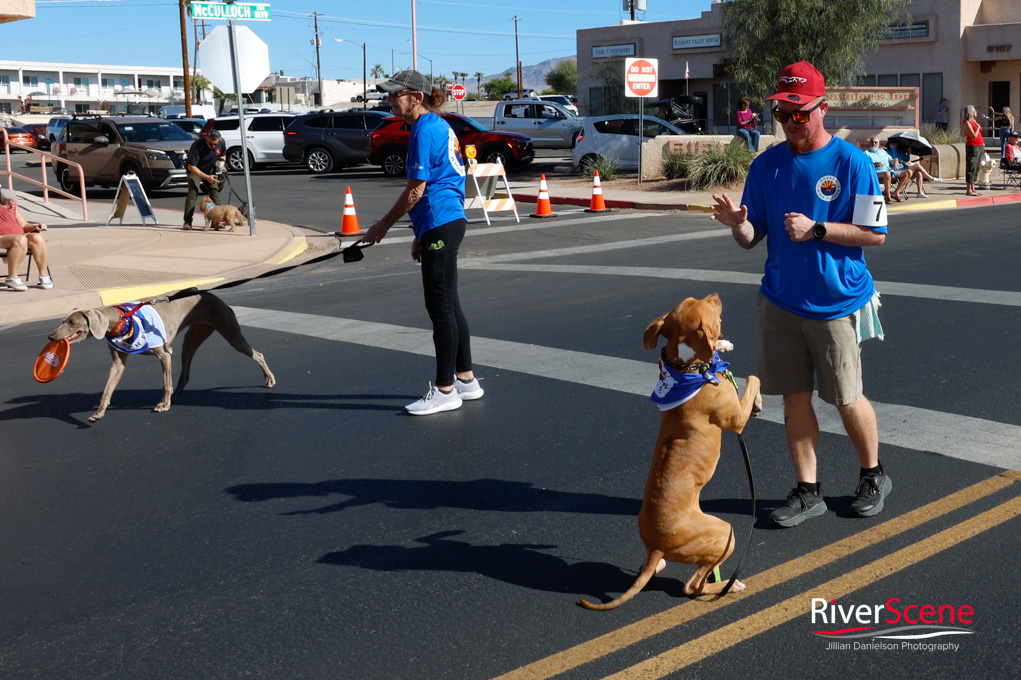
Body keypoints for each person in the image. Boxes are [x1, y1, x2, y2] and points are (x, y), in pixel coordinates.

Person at [709, 60, 890, 528]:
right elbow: (753, 235)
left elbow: (876, 234)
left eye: (800, 112)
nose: (791, 121)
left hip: (836, 302)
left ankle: (873, 475)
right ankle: (808, 491)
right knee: (793, 398)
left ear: (822, 109)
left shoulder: (853, 163)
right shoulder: (766, 165)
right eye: (783, 113)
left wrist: (819, 229)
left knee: (847, 398)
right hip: (780, 302)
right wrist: (738, 224)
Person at [361, 69, 483, 416]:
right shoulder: (437, 126)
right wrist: (419, 234)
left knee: (439, 308)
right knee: (450, 304)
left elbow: (416, 190)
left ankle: (445, 390)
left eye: (393, 95)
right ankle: (466, 380)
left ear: (415, 96)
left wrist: (382, 226)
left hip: (441, 221)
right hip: (443, 222)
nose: (389, 100)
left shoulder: (424, 130)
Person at [0, 192, 52, 291]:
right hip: (2, 238)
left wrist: (35, 227)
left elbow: (24, 225)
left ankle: (44, 275)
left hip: (20, 237)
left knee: (37, 238)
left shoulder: (10, 203)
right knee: (20, 239)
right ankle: (12, 277)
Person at [182, 128, 226, 230]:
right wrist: (206, 177)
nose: (213, 146)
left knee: (215, 194)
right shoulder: (198, 145)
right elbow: (191, 166)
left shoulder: (221, 142)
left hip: (210, 170)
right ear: (206, 139)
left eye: (215, 144)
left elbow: (222, 154)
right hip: (195, 170)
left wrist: (221, 164)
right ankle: (187, 222)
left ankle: (216, 221)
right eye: (211, 144)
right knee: (193, 194)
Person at [862, 136, 895, 203]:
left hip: (890, 171)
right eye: (872, 142)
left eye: (876, 142)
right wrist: (875, 164)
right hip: (876, 173)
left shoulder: (883, 151)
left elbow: (890, 159)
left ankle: (896, 193)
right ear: (869, 143)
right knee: (887, 173)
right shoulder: (866, 153)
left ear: (879, 144)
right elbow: (864, 165)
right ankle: (888, 196)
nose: (874, 143)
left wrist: (895, 161)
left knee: (908, 172)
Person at [963, 105, 984, 196]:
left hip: (979, 146)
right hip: (972, 147)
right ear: (971, 112)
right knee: (971, 166)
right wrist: (978, 128)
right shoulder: (967, 122)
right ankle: (968, 190)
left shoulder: (974, 121)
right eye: (975, 111)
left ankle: (973, 188)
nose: (976, 112)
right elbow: (973, 135)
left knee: (976, 167)